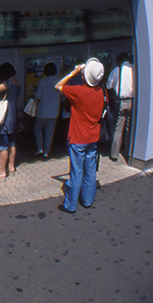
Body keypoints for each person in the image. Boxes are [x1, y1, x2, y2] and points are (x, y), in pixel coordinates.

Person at [55, 58, 106, 213]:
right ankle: (87, 200)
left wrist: (73, 73)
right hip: (93, 137)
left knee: (76, 172)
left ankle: (70, 205)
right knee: (90, 171)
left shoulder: (78, 91)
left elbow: (57, 86)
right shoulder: (102, 91)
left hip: (78, 138)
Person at [0, 63, 21, 181]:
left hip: (3, 119)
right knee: (11, 143)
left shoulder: (7, 84)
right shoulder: (17, 84)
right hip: (12, 118)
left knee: (2, 146)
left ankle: (1, 172)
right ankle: (11, 167)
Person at [106, 53, 133, 162]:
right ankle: (128, 152)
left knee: (118, 128)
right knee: (129, 128)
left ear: (119, 61)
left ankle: (114, 154)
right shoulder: (134, 69)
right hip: (132, 101)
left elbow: (109, 86)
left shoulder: (116, 70)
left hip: (121, 101)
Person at [31, 64, 61, 159]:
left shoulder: (42, 82)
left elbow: (38, 96)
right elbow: (63, 98)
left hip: (42, 111)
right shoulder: (59, 82)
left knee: (38, 129)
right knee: (49, 132)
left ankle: (40, 148)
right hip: (54, 112)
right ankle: (47, 151)